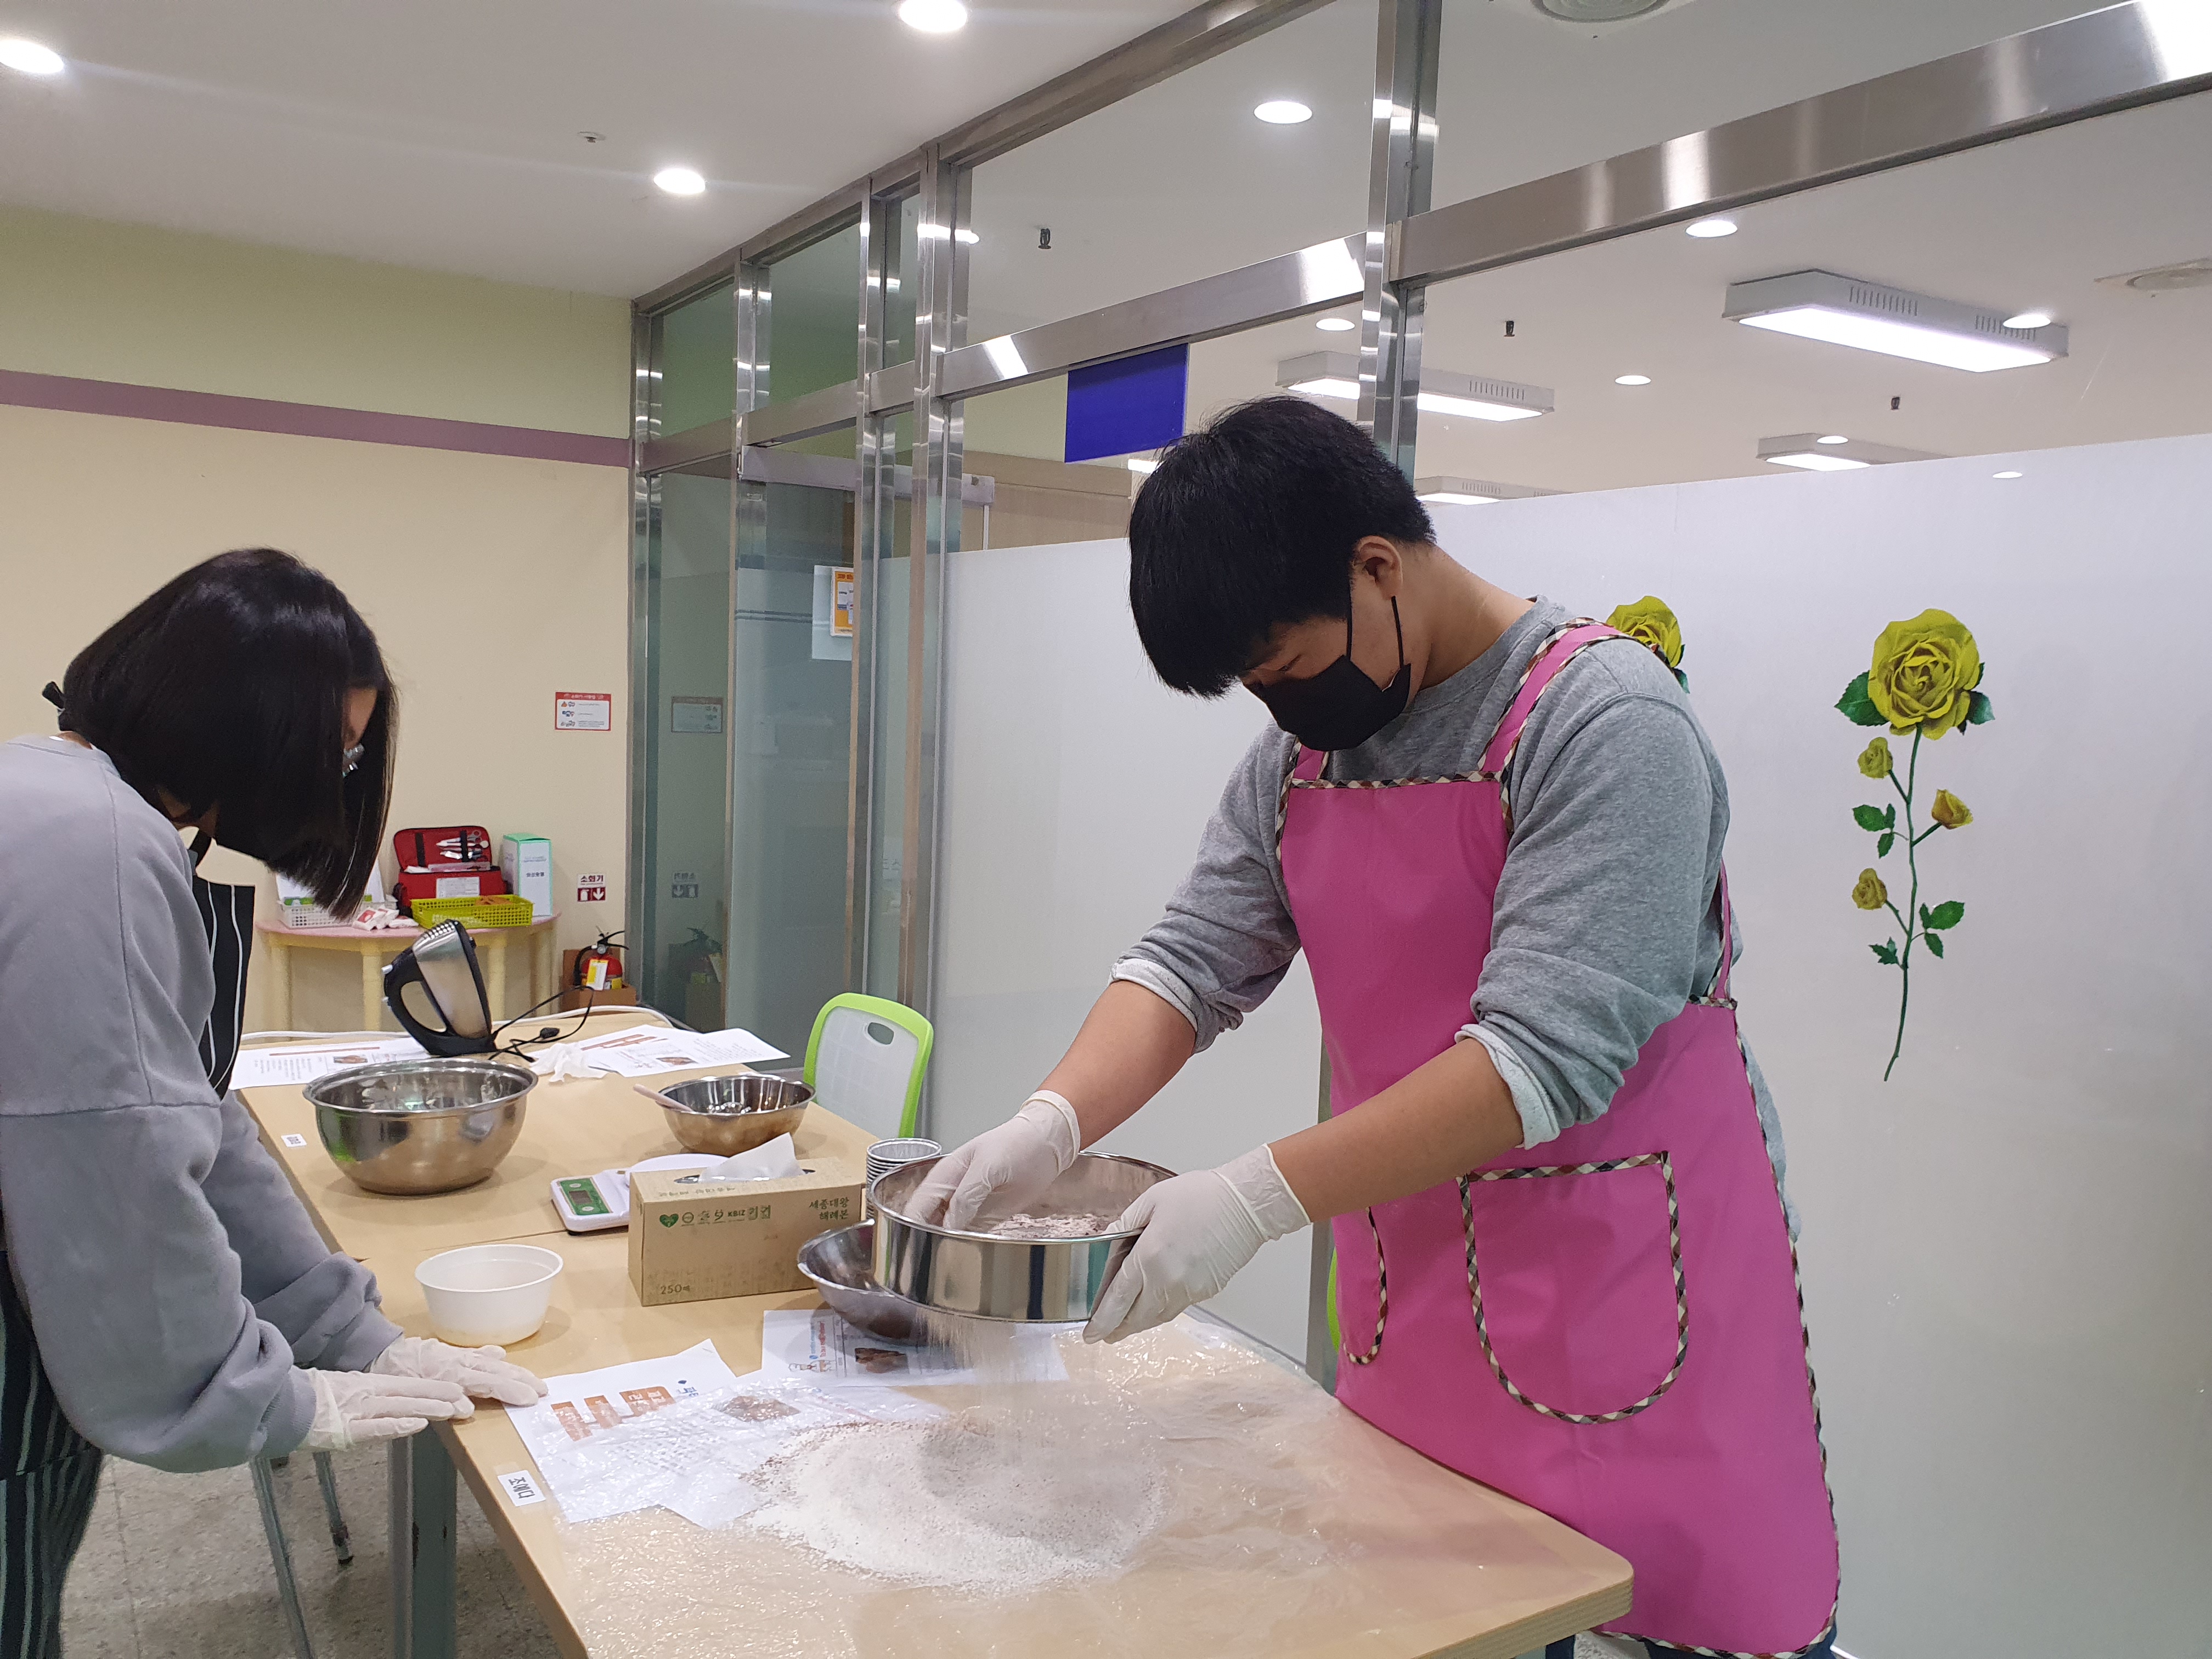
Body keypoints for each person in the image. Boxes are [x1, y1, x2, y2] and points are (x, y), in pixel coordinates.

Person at [913, 400, 1839, 1658]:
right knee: (1454, 1618)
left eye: (1289, 667)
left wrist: (1250, 1198)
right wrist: (1052, 1120)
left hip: (1635, 1287)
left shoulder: (1606, 724)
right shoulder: (1302, 760)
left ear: (1378, 567)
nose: (1285, 708)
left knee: (1697, 1620)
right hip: (1427, 1295)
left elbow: (1540, 1059)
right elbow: (1189, 965)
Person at [0, 549, 546, 1656]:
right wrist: (258, 1397)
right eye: (336, 751)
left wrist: (343, 1331)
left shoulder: (56, 795)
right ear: (247, 724)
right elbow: (117, 1177)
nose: (340, 781)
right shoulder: (94, 846)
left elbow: (190, 1122)